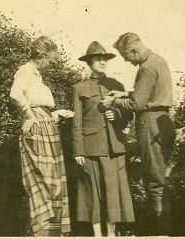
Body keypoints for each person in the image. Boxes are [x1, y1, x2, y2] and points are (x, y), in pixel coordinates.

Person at [100, 32, 176, 235]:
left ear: (133, 50)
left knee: (154, 182)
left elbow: (137, 104)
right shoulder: (157, 60)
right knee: (159, 176)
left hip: (150, 124)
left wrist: (113, 101)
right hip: (163, 121)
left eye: (126, 56)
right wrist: (125, 93)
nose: (126, 60)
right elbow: (148, 93)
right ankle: (163, 229)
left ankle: (161, 232)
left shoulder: (146, 67)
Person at [10, 36, 72, 236]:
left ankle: (51, 232)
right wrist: (29, 115)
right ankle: (40, 231)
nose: (51, 64)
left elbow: (37, 102)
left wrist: (55, 114)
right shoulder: (25, 71)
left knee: (52, 179)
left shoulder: (36, 76)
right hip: (37, 130)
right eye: (50, 59)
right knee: (42, 178)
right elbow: (15, 94)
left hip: (46, 126)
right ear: (41, 56)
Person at [72, 41, 135, 237]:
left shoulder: (116, 86)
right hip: (91, 149)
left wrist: (116, 116)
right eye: (97, 59)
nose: (101, 62)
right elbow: (77, 121)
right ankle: (98, 235)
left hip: (114, 147)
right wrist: (78, 151)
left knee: (113, 193)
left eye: (104, 59)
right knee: (93, 192)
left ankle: (112, 233)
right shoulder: (80, 88)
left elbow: (128, 114)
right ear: (89, 62)